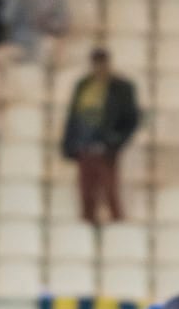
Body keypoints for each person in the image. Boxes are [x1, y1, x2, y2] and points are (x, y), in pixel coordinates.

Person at [60, 48, 140, 226]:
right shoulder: (84, 85)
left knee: (109, 190)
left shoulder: (121, 88)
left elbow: (131, 119)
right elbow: (73, 117)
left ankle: (116, 227)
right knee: (86, 192)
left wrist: (115, 140)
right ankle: (88, 226)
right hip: (84, 146)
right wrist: (69, 145)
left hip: (106, 149)